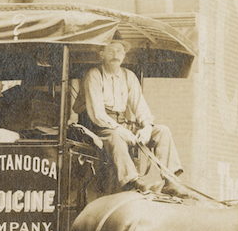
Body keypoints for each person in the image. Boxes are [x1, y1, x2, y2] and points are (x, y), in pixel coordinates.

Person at [75, 39, 183, 194]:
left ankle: (170, 180)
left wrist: (146, 127)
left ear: (124, 55)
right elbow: (97, 114)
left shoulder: (129, 77)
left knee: (162, 131)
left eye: (119, 51)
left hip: (123, 124)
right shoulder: (94, 75)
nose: (115, 55)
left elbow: (140, 107)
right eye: (110, 50)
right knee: (115, 136)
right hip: (99, 128)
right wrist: (121, 130)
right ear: (102, 54)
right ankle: (132, 181)